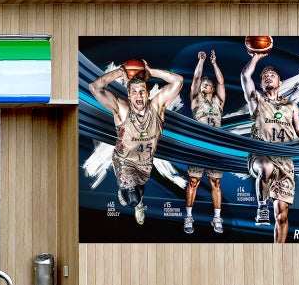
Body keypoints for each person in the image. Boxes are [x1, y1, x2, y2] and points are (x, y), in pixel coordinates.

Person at [90, 61, 184, 225]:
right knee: (133, 199)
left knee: (139, 189)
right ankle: (136, 202)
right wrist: (120, 73)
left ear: (147, 93)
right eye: (134, 91)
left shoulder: (157, 107)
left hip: (145, 163)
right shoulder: (122, 109)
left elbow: (178, 81)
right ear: (129, 95)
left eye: (142, 91)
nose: (139, 95)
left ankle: (134, 195)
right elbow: (94, 87)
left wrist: (150, 71)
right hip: (124, 162)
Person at [242, 47, 299, 244]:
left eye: (272, 75)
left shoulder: (291, 106)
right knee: (266, 167)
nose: (268, 77)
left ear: (280, 82)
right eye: (264, 77)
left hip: (284, 161)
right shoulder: (257, 101)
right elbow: (245, 76)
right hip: (261, 154)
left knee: (282, 216)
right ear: (261, 83)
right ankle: (261, 207)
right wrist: (256, 57)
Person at [183, 51, 226, 234]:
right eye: (203, 84)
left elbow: (221, 82)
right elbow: (196, 78)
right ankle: (188, 216)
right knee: (193, 181)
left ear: (213, 88)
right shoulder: (196, 99)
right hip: (198, 146)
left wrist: (214, 63)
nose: (204, 85)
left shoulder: (219, 101)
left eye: (208, 84)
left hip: (215, 147)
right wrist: (201, 61)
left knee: (216, 182)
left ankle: (216, 218)